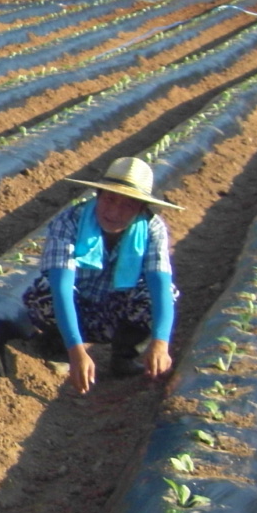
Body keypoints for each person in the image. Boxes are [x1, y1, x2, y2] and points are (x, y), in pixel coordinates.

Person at [25, 157, 181, 395]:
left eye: (128, 205)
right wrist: (76, 349)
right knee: (44, 290)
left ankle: (125, 356)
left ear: (141, 208)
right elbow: (61, 287)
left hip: (115, 315)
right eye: (109, 199)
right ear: (97, 195)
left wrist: (161, 342)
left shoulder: (151, 227)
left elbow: (160, 286)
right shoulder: (70, 221)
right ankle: (60, 346)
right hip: (76, 309)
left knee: (161, 294)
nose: (115, 212)